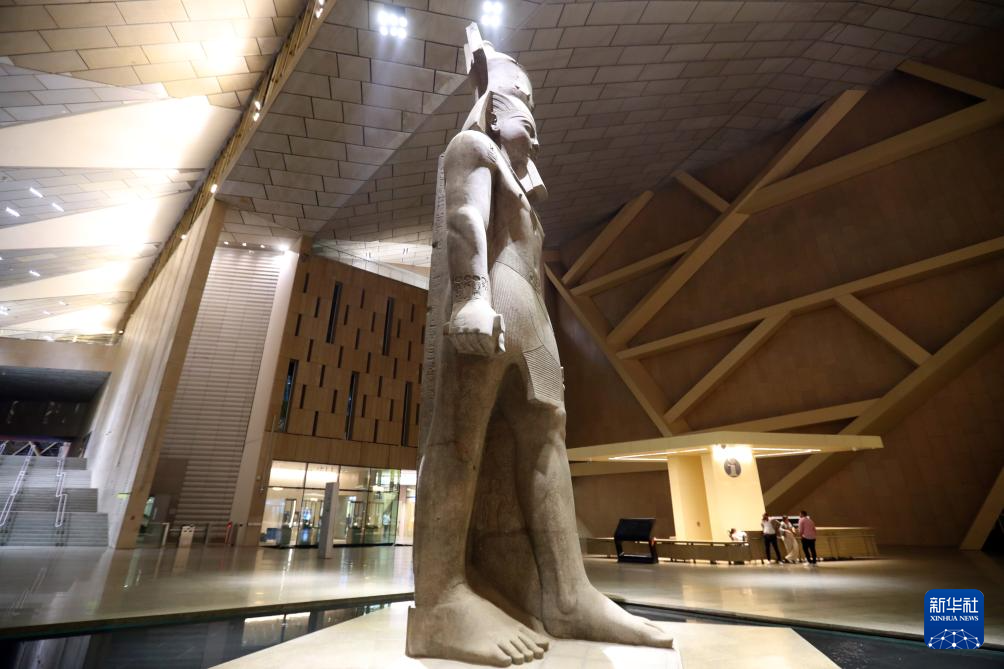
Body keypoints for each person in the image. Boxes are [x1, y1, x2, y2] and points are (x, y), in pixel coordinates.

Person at [407, 26, 673, 666]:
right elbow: (465, 220)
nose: (537, 128)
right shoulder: (472, 147)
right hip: (492, 302)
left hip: (531, 318)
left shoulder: (519, 179)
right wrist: (472, 296)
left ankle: (568, 594)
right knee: (457, 441)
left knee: (547, 439)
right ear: (495, 111)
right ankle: (442, 598)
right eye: (526, 109)